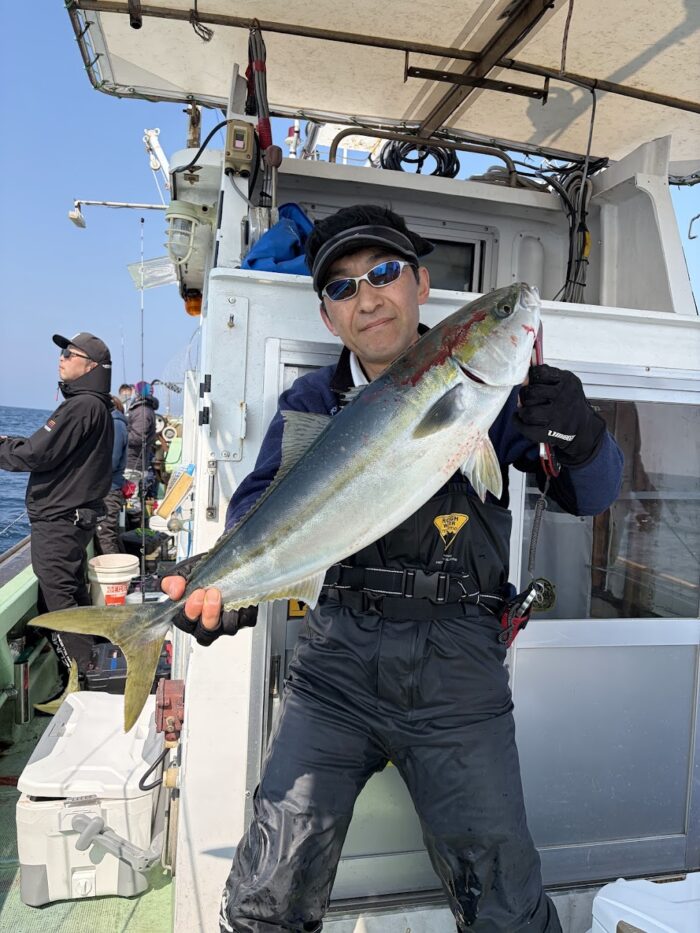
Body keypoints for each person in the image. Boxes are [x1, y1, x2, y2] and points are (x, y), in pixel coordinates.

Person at [162, 205, 624, 933]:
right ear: (327, 316)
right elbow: (259, 519)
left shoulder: (498, 402)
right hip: (336, 669)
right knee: (267, 898)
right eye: (343, 287)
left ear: (421, 286)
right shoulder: (311, 404)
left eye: (382, 273)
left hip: (458, 676)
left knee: (505, 904)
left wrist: (583, 429)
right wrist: (231, 596)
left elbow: (593, 493)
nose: (367, 296)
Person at [0, 332, 114, 680]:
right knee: (72, 595)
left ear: (90, 366)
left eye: (69, 353)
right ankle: (96, 670)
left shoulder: (81, 406)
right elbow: (45, 446)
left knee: (59, 603)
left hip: (59, 523)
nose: (61, 358)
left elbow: (37, 453)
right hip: (73, 522)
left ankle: (84, 680)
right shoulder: (96, 406)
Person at [95, 395, 128, 554]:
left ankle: (114, 578)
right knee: (110, 532)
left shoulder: (115, 425)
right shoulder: (115, 424)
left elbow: (112, 461)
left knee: (105, 533)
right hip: (108, 487)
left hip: (109, 489)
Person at [126, 380, 159, 473]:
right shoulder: (143, 410)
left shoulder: (142, 411)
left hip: (132, 466)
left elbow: (138, 438)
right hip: (134, 464)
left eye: (133, 391)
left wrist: (119, 434)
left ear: (137, 393)